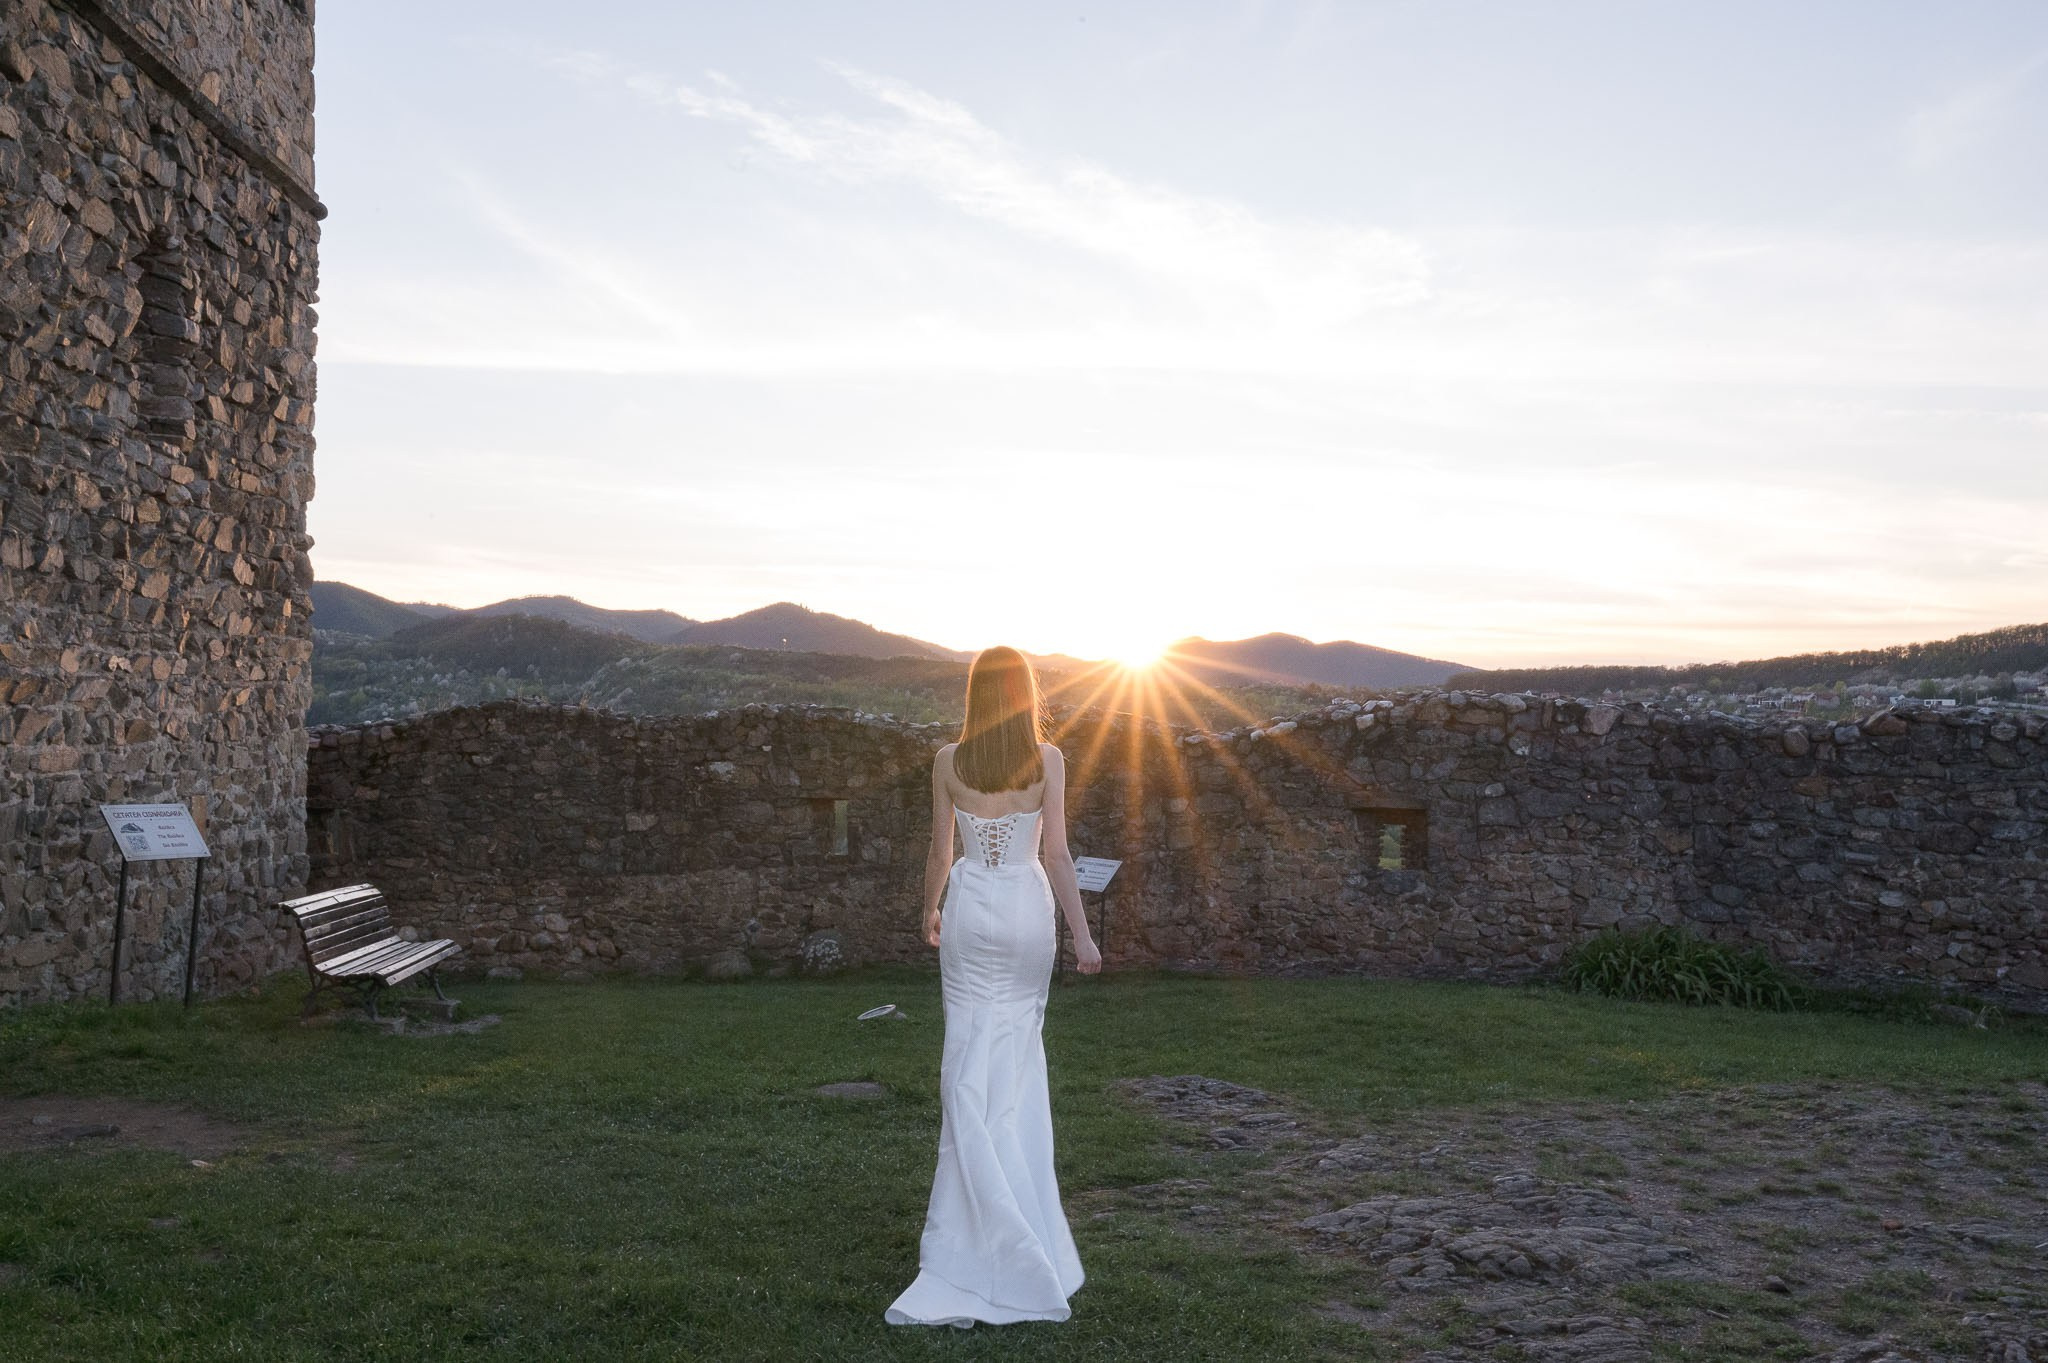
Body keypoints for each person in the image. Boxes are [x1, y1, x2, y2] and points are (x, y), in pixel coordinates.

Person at [885, 645, 1100, 1328]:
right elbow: (1058, 853)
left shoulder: (948, 760)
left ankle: (974, 1212)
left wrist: (929, 909)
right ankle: (1019, 1209)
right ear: (1027, 692)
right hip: (1027, 915)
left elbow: (940, 852)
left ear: (977, 693)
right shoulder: (1050, 760)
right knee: (1017, 1054)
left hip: (973, 909)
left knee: (967, 1052)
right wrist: (1085, 934)